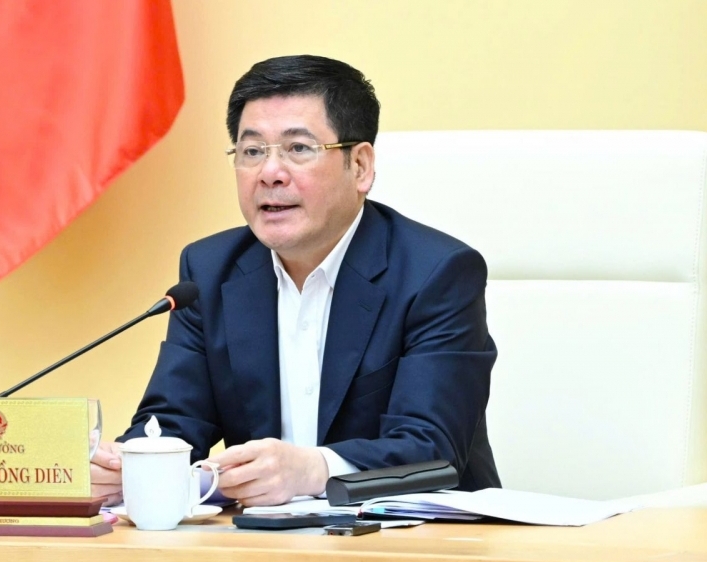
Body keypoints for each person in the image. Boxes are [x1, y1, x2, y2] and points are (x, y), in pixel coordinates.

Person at [91, 54, 500, 507]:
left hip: (417, 534)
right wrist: (131, 466)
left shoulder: (436, 273)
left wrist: (313, 469)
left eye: (299, 149)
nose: (270, 173)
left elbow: (433, 449)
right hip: (262, 536)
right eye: (252, 152)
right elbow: (173, 421)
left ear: (360, 166)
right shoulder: (209, 271)